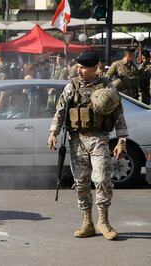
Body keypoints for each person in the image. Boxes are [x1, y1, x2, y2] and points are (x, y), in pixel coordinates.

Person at [47, 51, 128, 240]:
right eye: (79, 67)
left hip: (98, 138)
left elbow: (119, 116)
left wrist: (122, 140)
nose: (80, 71)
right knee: (81, 183)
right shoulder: (71, 87)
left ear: (94, 68)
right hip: (76, 141)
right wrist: (53, 133)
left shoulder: (107, 88)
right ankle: (87, 222)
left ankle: (103, 221)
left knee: (101, 180)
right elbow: (60, 111)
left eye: (84, 67)